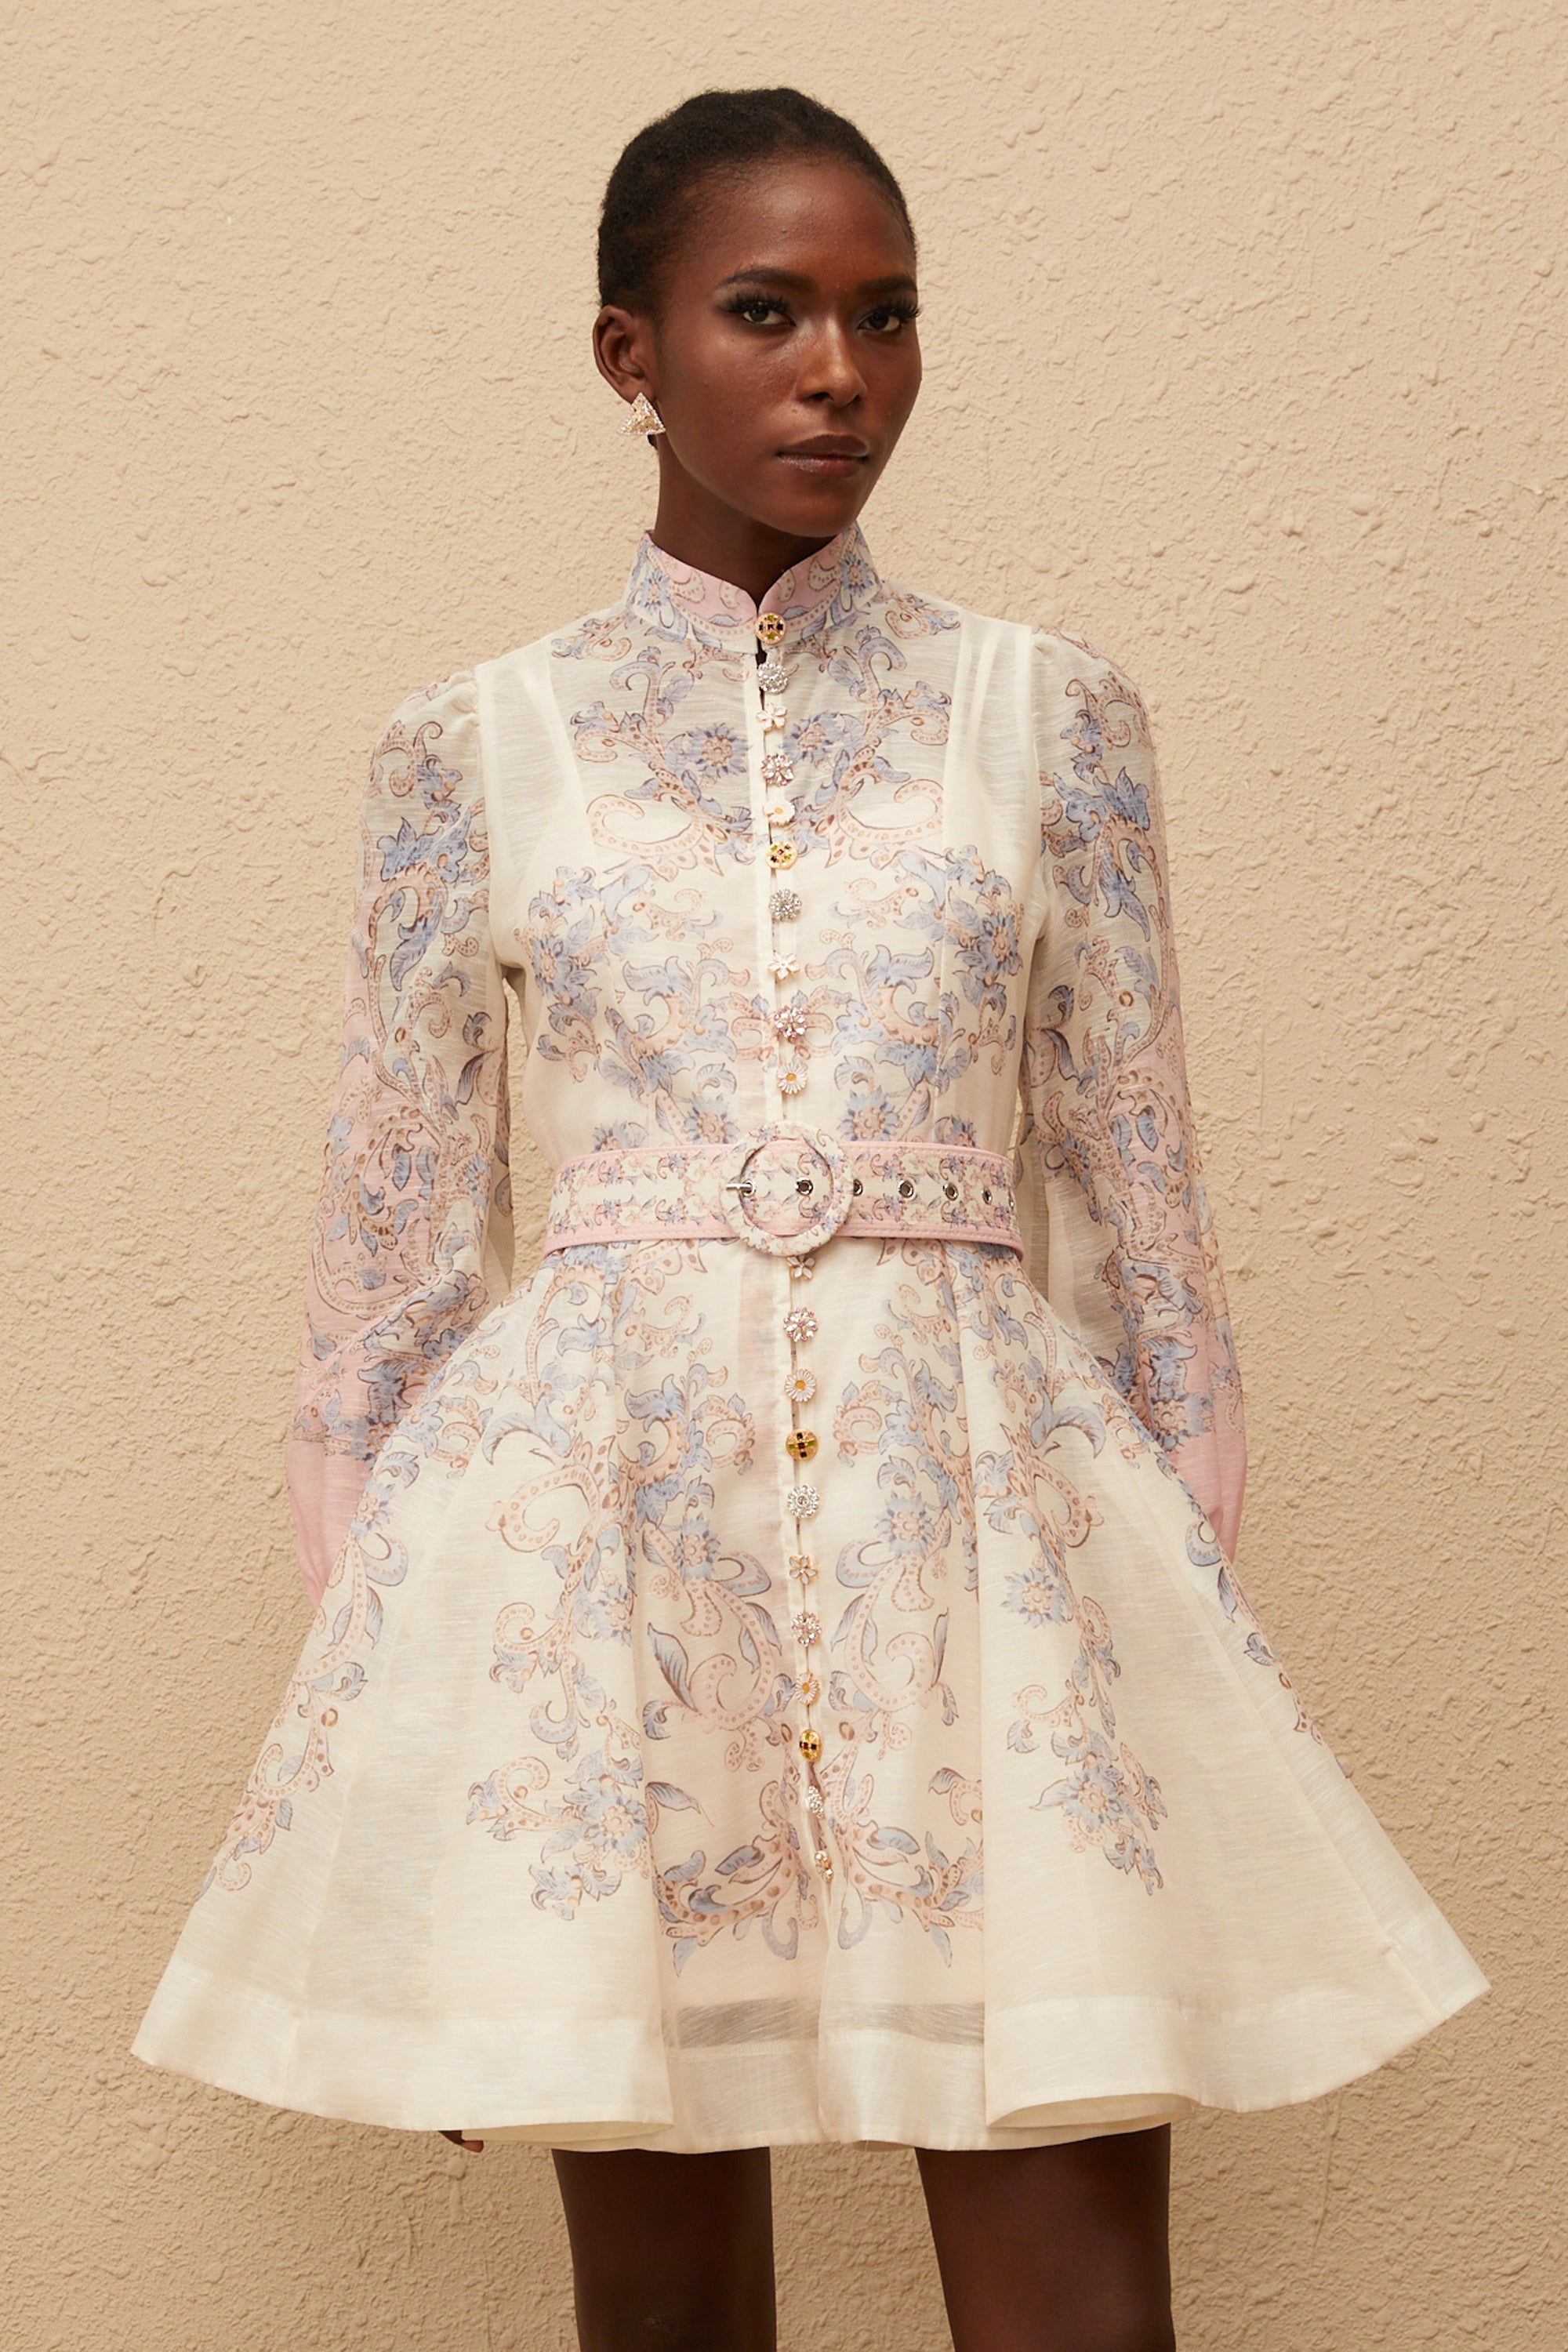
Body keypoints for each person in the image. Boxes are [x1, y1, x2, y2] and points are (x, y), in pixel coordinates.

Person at [132, 85, 1486, 2352]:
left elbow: (1143, 1202)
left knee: (1079, 2301)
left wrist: (1165, 1586)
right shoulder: (472, 747)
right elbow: (389, 1267)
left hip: (991, 1563)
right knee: (666, 2316)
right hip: (605, 1587)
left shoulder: (1049, 717)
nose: (840, 372)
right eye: (766, 312)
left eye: (887, 316)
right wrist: (413, 1795)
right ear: (630, 353)